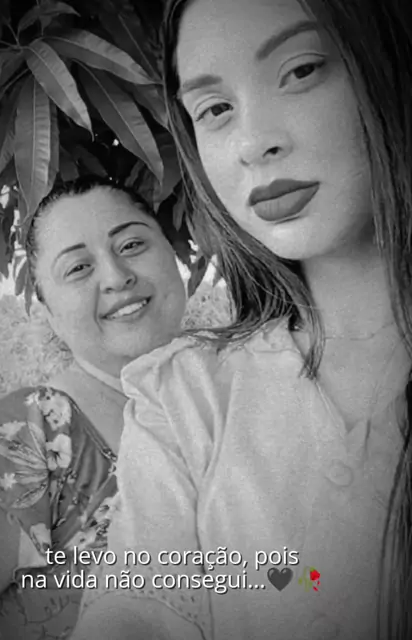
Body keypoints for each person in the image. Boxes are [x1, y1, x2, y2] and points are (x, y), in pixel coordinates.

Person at [72, 1, 412, 639]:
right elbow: (137, 608)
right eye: (215, 109)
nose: (254, 144)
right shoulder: (183, 397)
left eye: (301, 70)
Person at [0, 174, 187, 640]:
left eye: (132, 245)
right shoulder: (25, 439)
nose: (117, 277)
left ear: (173, 254)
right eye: (78, 268)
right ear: (48, 310)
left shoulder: (247, 384)